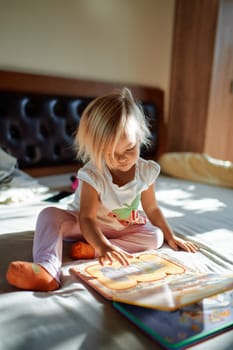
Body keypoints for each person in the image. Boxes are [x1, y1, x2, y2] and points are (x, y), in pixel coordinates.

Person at [6, 88, 198, 292]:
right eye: (110, 153)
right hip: (82, 225)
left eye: (129, 148)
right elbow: (87, 218)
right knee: (48, 215)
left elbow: (152, 209)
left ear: (140, 137)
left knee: (155, 237)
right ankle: (48, 270)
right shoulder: (93, 174)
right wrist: (103, 245)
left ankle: (92, 251)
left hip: (120, 227)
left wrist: (171, 236)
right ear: (97, 149)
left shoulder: (147, 171)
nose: (122, 158)